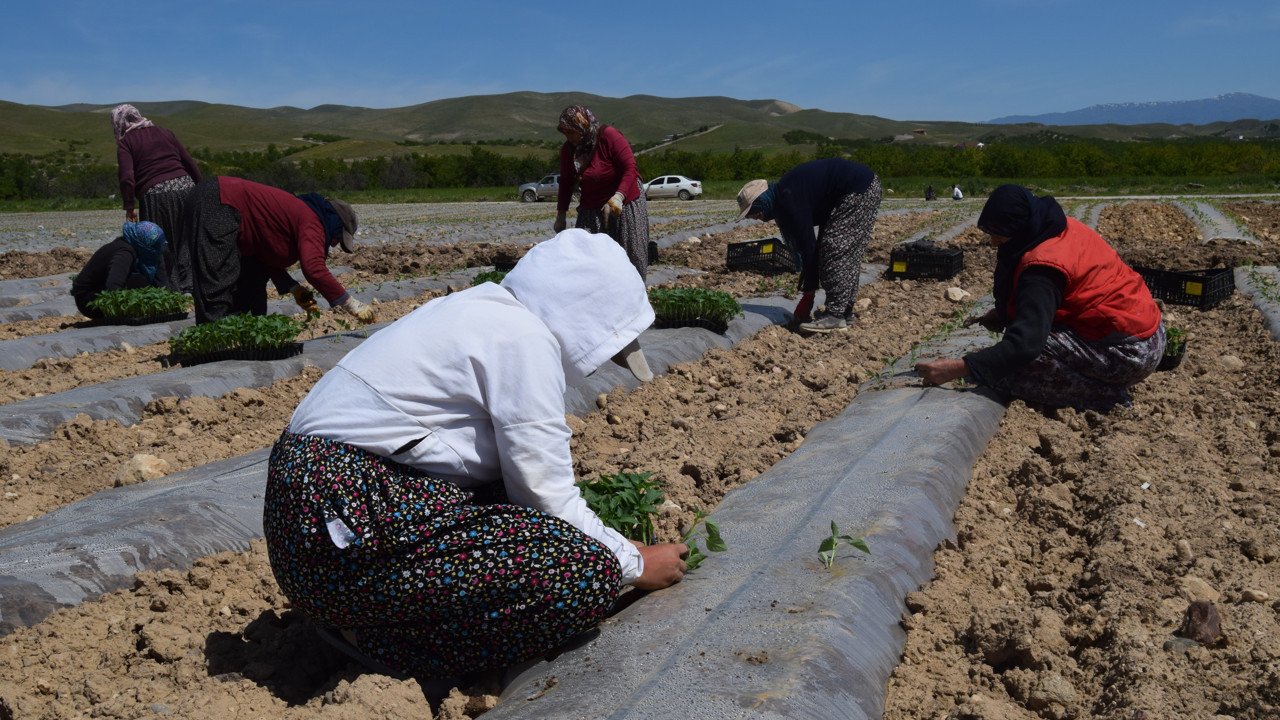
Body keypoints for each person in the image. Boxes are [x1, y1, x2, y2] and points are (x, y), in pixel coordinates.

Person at [263, 229, 689, 681]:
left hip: (312, 527)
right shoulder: (523, 339)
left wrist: (615, 543)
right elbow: (544, 495)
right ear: (587, 317)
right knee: (583, 573)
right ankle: (380, 643)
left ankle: (361, 616)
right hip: (344, 537)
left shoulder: (479, 310)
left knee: (518, 513)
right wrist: (634, 564)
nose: (599, 364)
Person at [915, 184, 1165, 411]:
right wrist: (1005, 314)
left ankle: (1105, 397)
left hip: (1128, 353)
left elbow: (1026, 344)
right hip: (1149, 330)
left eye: (999, 233)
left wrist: (958, 368)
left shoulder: (1042, 266)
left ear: (1019, 228)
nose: (993, 242)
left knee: (1012, 371)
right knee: (1011, 348)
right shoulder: (1060, 226)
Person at [179, 176, 373, 325]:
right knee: (219, 278)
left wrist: (292, 287)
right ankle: (215, 345)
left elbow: (264, 256)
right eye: (339, 238)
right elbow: (314, 268)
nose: (333, 244)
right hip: (219, 200)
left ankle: (242, 336)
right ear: (334, 223)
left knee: (251, 282)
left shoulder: (302, 216)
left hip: (219, 202)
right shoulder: (312, 221)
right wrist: (350, 303)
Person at [735, 158, 883, 334]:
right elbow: (823, 223)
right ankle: (844, 312)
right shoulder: (786, 193)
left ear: (762, 201)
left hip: (858, 189)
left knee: (835, 250)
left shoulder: (788, 199)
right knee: (839, 250)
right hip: (862, 187)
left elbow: (808, 247)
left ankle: (835, 315)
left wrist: (808, 294)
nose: (755, 217)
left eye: (754, 212)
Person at [110, 104, 202, 292]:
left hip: (155, 194)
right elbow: (189, 162)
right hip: (185, 188)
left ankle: (169, 287)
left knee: (158, 242)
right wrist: (201, 188)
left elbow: (127, 177)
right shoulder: (165, 132)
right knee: (185, 239)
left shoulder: (126, 142)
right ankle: (190, 285)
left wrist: (129, 206)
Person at [553, 105, 651, 279]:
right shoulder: (568, 151)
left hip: (625, 203)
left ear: (582, 126)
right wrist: (561, 214)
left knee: (631, 257)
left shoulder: (608, 136)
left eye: (571, 132)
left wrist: (619, 196)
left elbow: (630, 168)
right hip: (591, 208)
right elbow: (566, 183)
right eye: (565, 133)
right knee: (588, 259)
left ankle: (635, 300)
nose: (568, 137)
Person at [70, 221, 169, 319]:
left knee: (140, 281)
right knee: (138, 281)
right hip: (88, 299)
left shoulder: (142, 247)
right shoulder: (125, 253)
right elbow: (113, 285)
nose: (158, 250)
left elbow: (163, 282)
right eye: (155, 247)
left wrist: (167, 300)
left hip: (102, 290)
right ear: (144, 243)